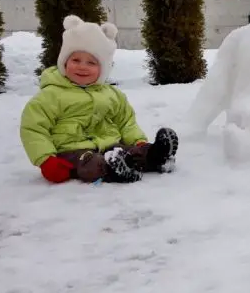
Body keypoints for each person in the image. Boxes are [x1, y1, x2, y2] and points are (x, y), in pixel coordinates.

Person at [19, 15, 178, 184]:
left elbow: (126, 122)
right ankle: (114, 169)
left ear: (103, 69)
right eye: (76, 60)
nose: (82, 66)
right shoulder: (51, 95)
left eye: (91, 63)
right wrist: (45, 159)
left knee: (128, 152)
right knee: (91, 162)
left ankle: (155, 156)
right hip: (72, 151)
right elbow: (34, 128)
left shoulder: (112, 95)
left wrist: (138, 141)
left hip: (110, 146)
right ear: (64, 62)